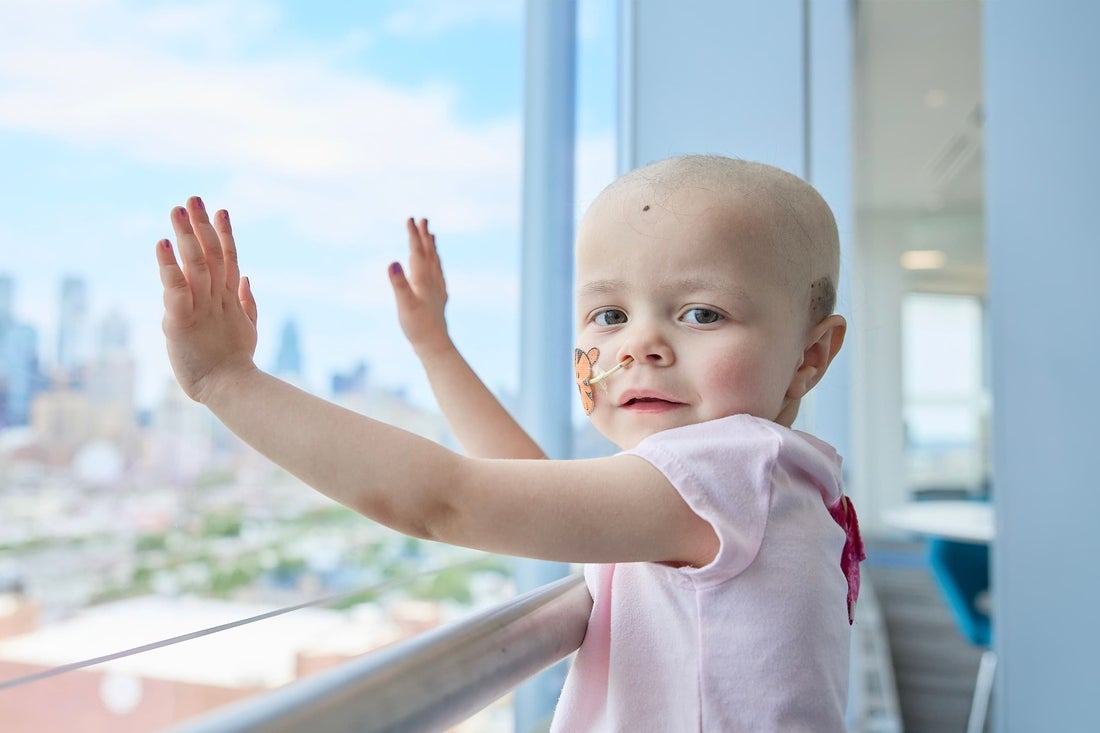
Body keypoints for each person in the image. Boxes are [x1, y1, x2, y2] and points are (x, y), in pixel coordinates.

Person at [155, 154, 864, 731]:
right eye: (609, 313)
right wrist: (435, 347)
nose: (640, 343)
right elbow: (525, 483)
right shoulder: (759, 486)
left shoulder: (735, 466)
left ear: (810, 354)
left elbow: (448, 500)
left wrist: (226, 380)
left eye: (702, 312)